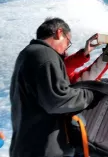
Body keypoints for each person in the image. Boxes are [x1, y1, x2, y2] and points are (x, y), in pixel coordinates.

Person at [9, 18, 95, 157]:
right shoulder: (45, 55)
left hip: (28, 146)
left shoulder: (29, 54)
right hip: (44, 149)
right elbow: (57, 99)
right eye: (68, 42)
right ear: (59, 33)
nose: (66, 50)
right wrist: (89, 95)